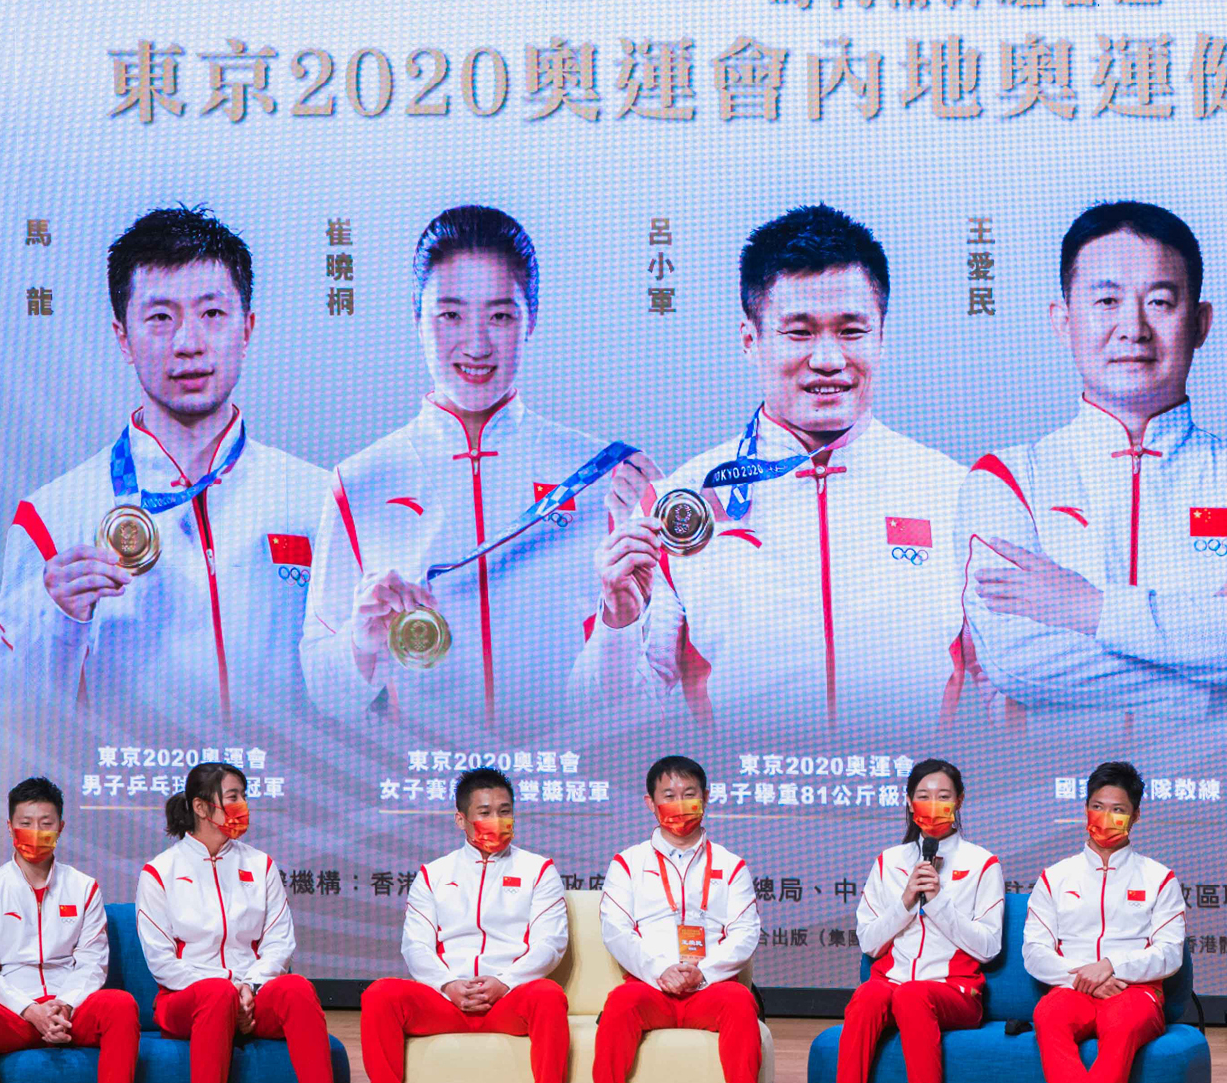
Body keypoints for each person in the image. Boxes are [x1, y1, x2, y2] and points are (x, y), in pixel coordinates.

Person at [574, 205, 966, 729]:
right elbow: (609, 717)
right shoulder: (677, 506)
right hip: (752, 805)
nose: (828, 359)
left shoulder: (958, 494)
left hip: (908, 806)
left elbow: (1007, 694)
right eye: (799, 332)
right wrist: (618, 621)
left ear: (881, 337)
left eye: (851, 331)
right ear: (750, 340)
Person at [302, 205, 648, 735]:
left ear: (531, 318)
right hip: (427, 792)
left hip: (571, 783)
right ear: (416, 317)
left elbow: (647, 682)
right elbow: (325, 693)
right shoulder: (361, 480)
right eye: (450, 314)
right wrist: (361, 639)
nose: (477, 344)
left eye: (501, 315)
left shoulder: (605, 475)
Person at [958, 202, 1227, 721]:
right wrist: (1212, 654)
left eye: (1160, 302)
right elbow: (1018, 663)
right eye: (1106, 300)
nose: (1133, 328)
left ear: (1201, 322)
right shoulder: (1008, 480)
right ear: (1063, 320)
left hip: (1226, 794)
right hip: (1053, 792)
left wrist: (1089, 609)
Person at [0, 206, 325, 721]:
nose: (188, 344)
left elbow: (363, 698)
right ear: (123, 337)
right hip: (131, 795)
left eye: (212, 314)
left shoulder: (320, 501)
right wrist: (55, 616)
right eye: (160, 317)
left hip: (285, 796)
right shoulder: (52, 515)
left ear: (247, 329)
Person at [359, 767, 570, 1083]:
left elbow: (550, 943)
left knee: (549, 995)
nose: (497, 821)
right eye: (485, 812)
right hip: (447, 1000)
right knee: (379, 995)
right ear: (461, 819)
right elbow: (416, 944)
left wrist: (505, 982)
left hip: (508, 998)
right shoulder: (434, 874)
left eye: (505, 811)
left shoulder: (538, 870)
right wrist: (447, 985)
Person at [135, 761, 332, 1083]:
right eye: (231, 796)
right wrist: (227, 990)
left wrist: (250, 988)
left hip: (254, 995)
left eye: (243, 796)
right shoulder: (160, 871)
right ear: (200, 807)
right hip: (188, 999)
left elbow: (279, 941)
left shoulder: (259, 864)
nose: (241, 806)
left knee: (296, 988)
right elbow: (161, 961)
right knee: (216, 995)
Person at [0, 777, 139, 1083]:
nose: (36, 833)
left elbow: (93, 962)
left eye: (46, 823)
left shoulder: (84, 888)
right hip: (15, 1013)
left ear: (60, 828)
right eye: (26, 822)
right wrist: (30, 1010)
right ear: (9, 827)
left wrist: (64, 1006)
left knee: (120, 1004)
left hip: (71, 1012)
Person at [595, 756, 763, 1083]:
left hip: (710, 985)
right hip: (650, 985)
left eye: (689, 793)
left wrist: (702, 973)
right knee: (620, 1003)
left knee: (741, 1001)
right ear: (651, 803)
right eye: (669, 796)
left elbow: (745, 932)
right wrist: (661, 970)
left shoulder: (731, 866)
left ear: (706, 798)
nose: (680, 804)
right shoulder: (628, 863)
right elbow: (616, 930)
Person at [839, 759, 1004, 1083]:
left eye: (943, 796)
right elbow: (870, 944)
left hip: (954, 989)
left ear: (960, 801)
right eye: (923, 795)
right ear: (909, 801)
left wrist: (938, 901)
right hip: (891, 982)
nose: (933, 805)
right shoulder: (889, 861)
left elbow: (989, 948)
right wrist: (905, 902)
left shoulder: (982, 863)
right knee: (867, 996)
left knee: (912, 995)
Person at [1024, 761, 1185, 1083]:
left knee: (1122, 1024)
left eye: (1118, 809)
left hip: (1135, 991)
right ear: (1085, 809)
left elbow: (1170, 952)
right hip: (1070, 988)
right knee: (1047, 1015)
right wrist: (1088, 976)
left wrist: (1112, 965)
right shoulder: (1054, 876)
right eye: (1097, 807)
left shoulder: (1159, 877)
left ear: (1135, 815)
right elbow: (1035, 951)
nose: (1106, 818)